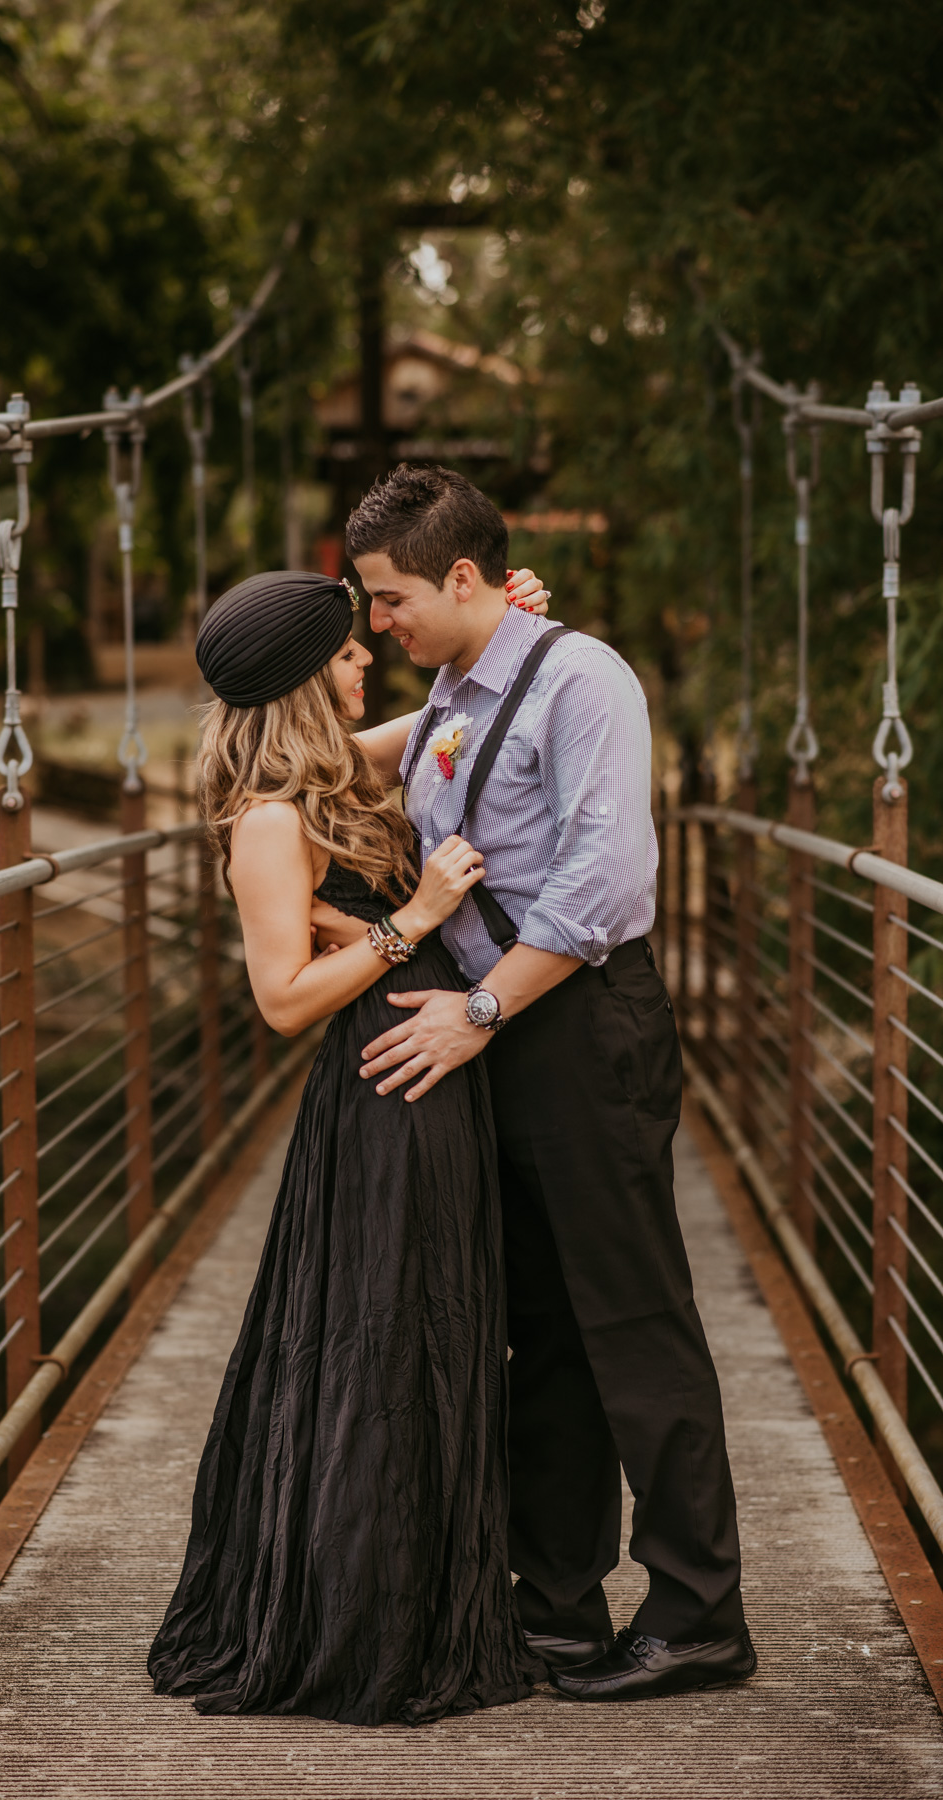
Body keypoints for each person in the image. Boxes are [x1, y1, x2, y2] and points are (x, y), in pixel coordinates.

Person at [344, 463, 757, 1703]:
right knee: (549, 1333)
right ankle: (559, 1610)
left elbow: (603, 884)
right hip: (506, 1032)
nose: (378, 622)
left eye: (388, 598)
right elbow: (318, 767)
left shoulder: (583, 678)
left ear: (460, 577)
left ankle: (697, 1614)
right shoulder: (456, 684)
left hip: (574, 1023)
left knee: (632, 1318)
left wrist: (475, 1012)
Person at [148, 564, 549, 1727]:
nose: (365, 655)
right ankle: (362, 1626)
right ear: (296, 681)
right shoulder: (272, 822)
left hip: (427, 1069)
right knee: (384, 1341)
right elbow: (279, 1001)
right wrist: (410, 920)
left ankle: (418, 1603)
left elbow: (446, 720)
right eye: (342, 652)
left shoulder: (333, 773)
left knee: (432, 1324)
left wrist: (505, 627)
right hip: (383, 1090)